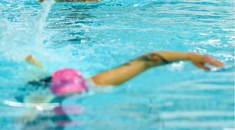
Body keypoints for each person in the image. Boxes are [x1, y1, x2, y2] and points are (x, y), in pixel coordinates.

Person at [19, 51, 224, 127]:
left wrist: (189, 56)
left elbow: (149, 60)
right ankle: (33, 64)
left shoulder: (94, 83)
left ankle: (34, 63)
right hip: (41, 91)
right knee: (35, 74)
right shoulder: (34, 103)